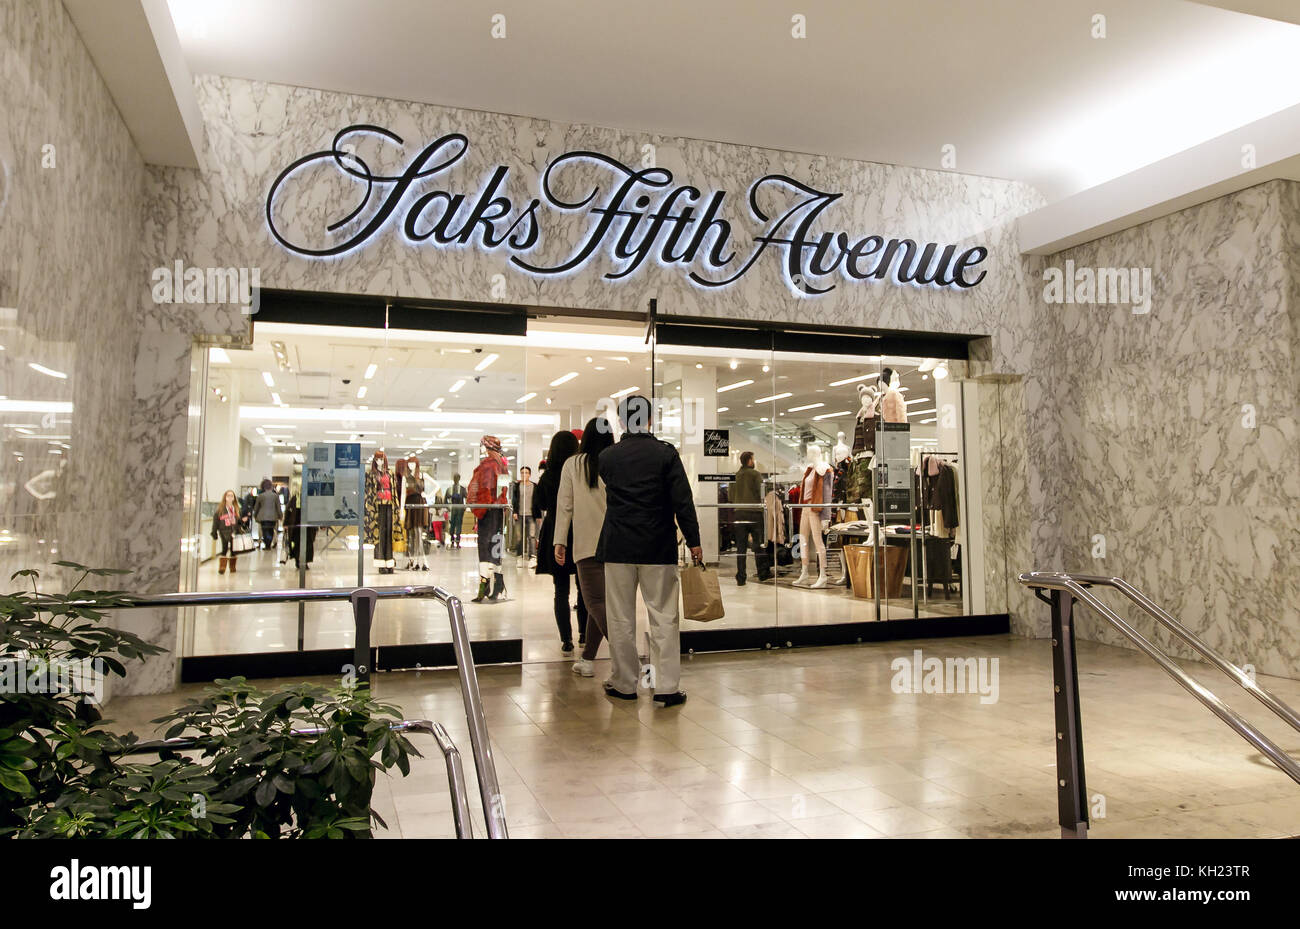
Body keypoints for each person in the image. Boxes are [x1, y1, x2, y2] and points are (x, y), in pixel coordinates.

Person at [597, 395, 701, 708]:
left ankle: (625, 684)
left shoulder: (607, 457)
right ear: (651, 420)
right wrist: (694, 540)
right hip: (658, 545)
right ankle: (665, 687)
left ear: (621, 421)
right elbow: (682, 500)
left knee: (620, 619)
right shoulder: (666, 454)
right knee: (664, 618)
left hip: (617, 546)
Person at [555, 416, 614, 677]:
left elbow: (565, 505)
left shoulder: (573, 464)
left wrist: (559, 540)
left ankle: (629, 656)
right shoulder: (615, 461)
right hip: (617, 543)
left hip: (587, 544)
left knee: (596, 603)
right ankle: (588, 659)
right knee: (598, 605)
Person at [534, 430, 586, 652]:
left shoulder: (547, 476)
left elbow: (541, 505)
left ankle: (566, 639)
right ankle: (585, 634)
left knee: (560, 590)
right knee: (584, 587)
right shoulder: (581, 473)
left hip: (556, 532)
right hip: (581, 530)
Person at [731, 450, 770, 585]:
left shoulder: (735, 476)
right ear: (749, 461)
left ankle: (741, 577)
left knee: (741, 547)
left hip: (738, 513)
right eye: (753, 459)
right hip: (754, 513)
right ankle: (762, 573)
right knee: (758, 544)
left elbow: (730, 496)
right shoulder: (755, 474)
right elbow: (762, 492)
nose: (754, 462)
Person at [210, 489, 241, 575]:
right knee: (224, 548)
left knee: (233, 550)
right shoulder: (220, 509)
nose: (230, 497)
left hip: (234, 531)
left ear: (234, 498)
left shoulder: (236, 509)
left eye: (232, 496)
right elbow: (216, 521)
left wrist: (239, 527)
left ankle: (232, 567)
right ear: (225, 498)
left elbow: (239, 521)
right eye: (228, 496)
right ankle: (222, 567)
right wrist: (214, 532)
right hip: (224, 531)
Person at [511, 466, 537, 565]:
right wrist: (514, 512)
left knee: (532, 536)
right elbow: (515, 500)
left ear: (529, 474)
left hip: (531, 515)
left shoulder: (534, 486)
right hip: (519, 515)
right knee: (519, 536)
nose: (524, 475)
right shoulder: (517, 486)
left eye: (526, 473)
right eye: (522, 473)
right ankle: (519, 556)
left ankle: (532, 557)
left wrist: (538, 515)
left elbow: (537, 501)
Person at [284, 492, 317, 570]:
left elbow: (316, 512)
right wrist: (286, 523)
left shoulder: (311, 499)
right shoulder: (295, 498)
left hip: (307, 527)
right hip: (296, 526)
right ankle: (298, 560)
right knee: (297, 543)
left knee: (307, 543)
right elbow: (288, 511)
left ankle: (303, 561)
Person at [253, 478, 282, 551]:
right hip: (273, 517)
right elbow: (278, 507)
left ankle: (267, 544)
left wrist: (255, 516)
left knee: (265, 530)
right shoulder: (275, 496)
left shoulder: (260, 496)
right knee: (271, 530)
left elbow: (256, 507)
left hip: (263, 517)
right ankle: (268, 544)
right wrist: (280, 516)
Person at [446, 473, 466, 548]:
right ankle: (452, 541)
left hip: (459, 510)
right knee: (452, 526)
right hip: (453, 510)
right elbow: (446, 499)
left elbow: (466, 497)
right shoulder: (450, 489)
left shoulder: (462, 489)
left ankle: (457, 542)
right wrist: (447, 507)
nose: (456, 479)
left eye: (457, 478)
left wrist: (464, 507)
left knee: (458, 526)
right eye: (455, 478)